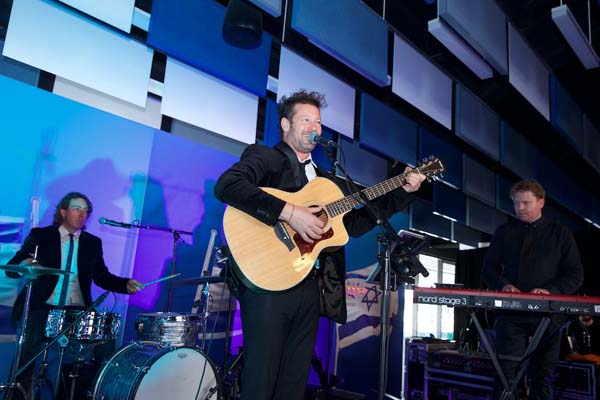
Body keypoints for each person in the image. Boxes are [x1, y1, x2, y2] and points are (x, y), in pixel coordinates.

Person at [214, 90, 425, 400]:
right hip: (268, 285)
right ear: (285, 124)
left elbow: (355, 224)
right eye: (306, 120)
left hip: (311, 287)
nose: (314, 127)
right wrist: (290, 212)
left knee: (294, 383)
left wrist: (403, 190)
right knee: (260, 381)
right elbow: (227, 185)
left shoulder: (329, 181)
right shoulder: (266, 157)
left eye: (318, 122)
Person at [5, 192, 142, 398]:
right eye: (77, 208)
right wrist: (26, 263)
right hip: (43, 306)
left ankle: (90, 393)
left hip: (78, 310)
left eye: (86, 210)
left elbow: (102, 277)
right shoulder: (41, 236)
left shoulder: (92, 242)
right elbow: (13, 267)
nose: (82, 214)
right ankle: (18, 395)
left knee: (105, 343)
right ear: (63, 212)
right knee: (29, 349)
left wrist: (125, 284)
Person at [482, 179, 584, 400]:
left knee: (542, 378)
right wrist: (503, 284)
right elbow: (488, 269)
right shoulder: (504, 231)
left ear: (541, 202)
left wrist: (551, 290)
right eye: (516, 203)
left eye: (526, 203)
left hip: (549, 317)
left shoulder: (560, 233)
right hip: (510, 315)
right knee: (504, 377)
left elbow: (575, 274)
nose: (519, 208)